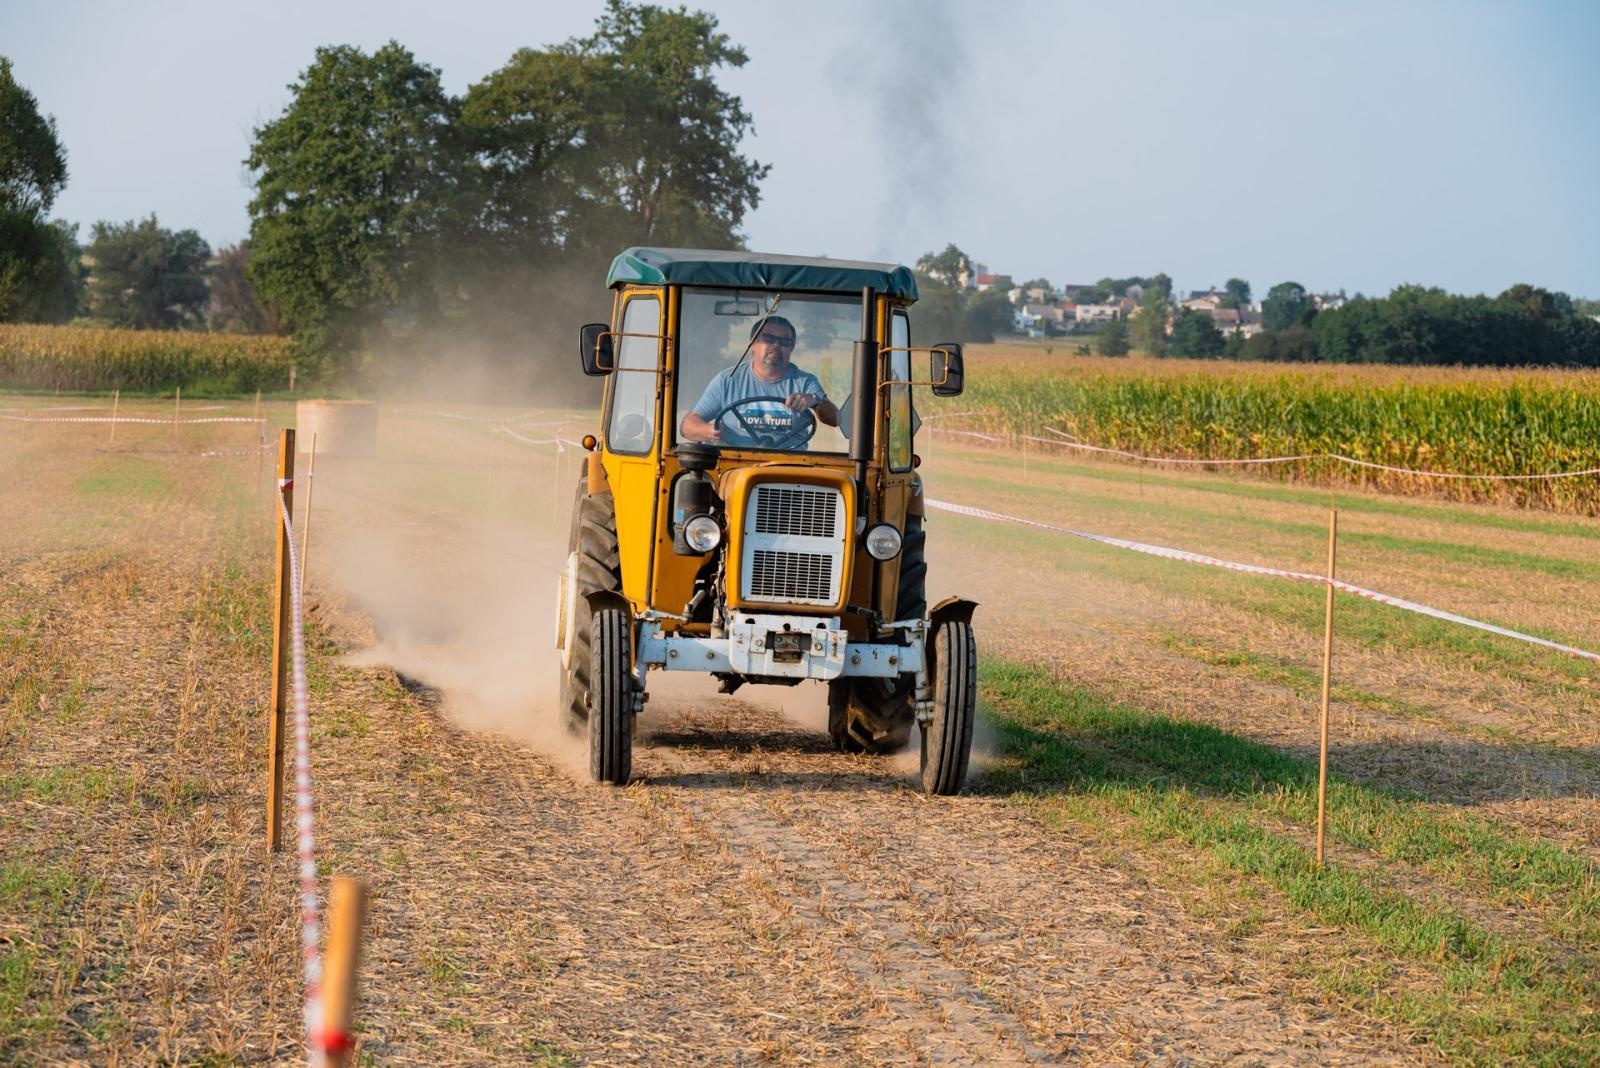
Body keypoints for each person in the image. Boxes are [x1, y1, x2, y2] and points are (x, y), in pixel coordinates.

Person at [680, 315, 840, 447]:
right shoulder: (728, 380)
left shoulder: (804, 382)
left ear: (791, 348)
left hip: (790, 464)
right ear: (753, 344)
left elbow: (835, 419)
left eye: (784, 342)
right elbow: (687, 425)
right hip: (737, 463)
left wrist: (814, 400)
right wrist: (709, 431)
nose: (776, 345)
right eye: (768, 338)